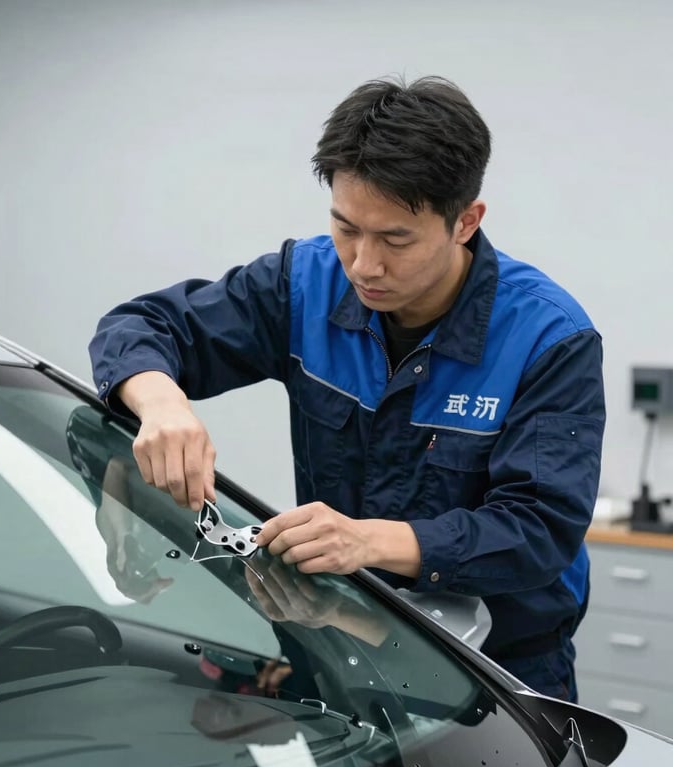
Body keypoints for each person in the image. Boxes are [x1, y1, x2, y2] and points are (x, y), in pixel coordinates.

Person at [89, 75, 605, 701]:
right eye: (345, 227)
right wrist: (160, 402)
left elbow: (539, 530)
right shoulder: (303, 283)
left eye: (395, 239)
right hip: (337, 642)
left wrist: (365, 541)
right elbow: (142, 326)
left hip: (500, 674)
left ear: (465, 221)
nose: (363, 264)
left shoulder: (547, 337)